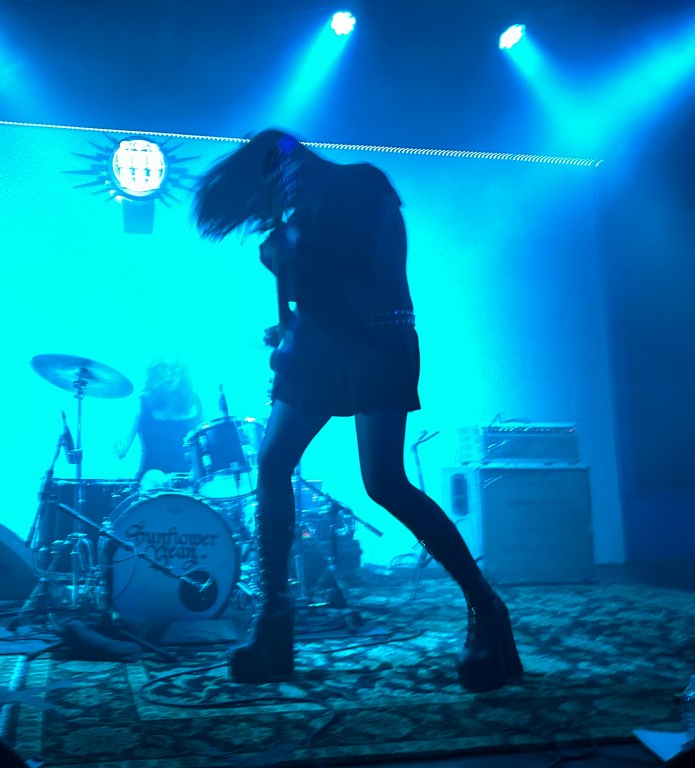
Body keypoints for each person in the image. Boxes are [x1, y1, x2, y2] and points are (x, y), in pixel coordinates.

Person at [191, 129, 523, 691]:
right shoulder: (294, 217)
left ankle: (486, 608)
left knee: (385, 483)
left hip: (376, 342)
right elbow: (309, 301)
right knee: (271, 465)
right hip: (320, 348)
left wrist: (293, 248)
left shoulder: (361, 185)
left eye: (275, 182)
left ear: (288, 164)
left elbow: (362, 268)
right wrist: (286, 326)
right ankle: (275, 616)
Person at [114, 356, 203, 489]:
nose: (168, 373)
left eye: (174, 368)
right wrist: (118, 447)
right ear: (155, 374)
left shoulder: (195, 401)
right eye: (163, 369)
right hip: (150, 480)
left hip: (188, 479)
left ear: (183, 373)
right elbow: (123, 447)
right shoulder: (142, 403)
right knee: (154, 477)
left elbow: (206, 439)